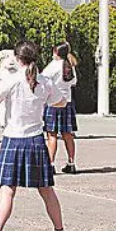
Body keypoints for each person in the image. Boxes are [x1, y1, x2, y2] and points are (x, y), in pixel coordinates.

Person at [0, 40, 68, 231]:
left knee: (7, 190)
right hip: (36, 139)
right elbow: (61, 102)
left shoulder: (12, 80)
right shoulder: (44, 81)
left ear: (17, 58)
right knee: (46, 189)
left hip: (14, 139)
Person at [42, 42, 79, 174]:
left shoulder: (53, 65)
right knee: (67, 135)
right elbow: (74, 82)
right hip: (67, 102)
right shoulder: (69, 65)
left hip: (54, 102)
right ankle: (71, 162)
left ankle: (51, 164)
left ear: (56, 52)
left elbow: (42, 79)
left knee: (52, 135)